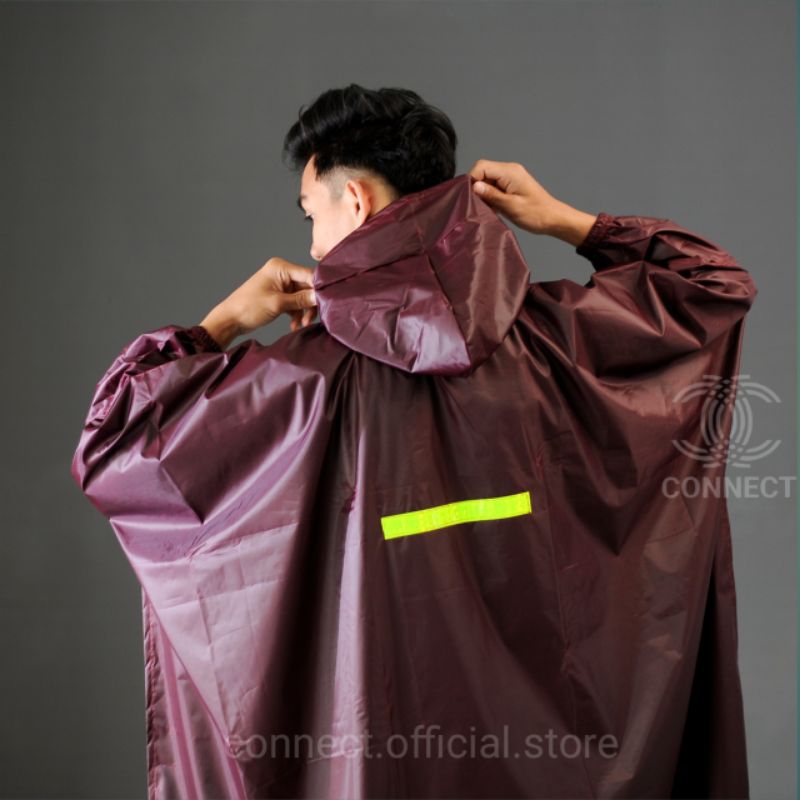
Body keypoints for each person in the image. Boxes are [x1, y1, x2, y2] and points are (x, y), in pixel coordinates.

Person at [71, 84, 757, 799]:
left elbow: (116, 441)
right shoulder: (561, 343)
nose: (312, 245)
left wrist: (225, 323)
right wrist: (563, 220)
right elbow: (713, 286)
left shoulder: (299, 386)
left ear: (355, 201)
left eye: (311, 215)